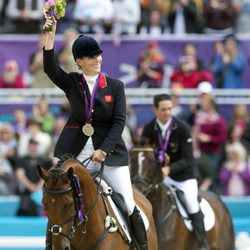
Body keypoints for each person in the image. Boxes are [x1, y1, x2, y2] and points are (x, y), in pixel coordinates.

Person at [43, 15, 147, 250]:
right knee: (58, 199)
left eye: (98, 55)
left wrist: (104, 150)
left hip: (109, 156)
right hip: (75, 154)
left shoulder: (115, 86)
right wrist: (49, 38)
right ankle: (51, 246)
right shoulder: (71, 82)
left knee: (129, 205)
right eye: (91, 57)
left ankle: (141, 247)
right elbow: (50, 68)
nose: (98, 59)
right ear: (79, 61)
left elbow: (119, 122)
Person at [140, 94, 209, 250]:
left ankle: (203, 243)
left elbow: (189, 159)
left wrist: (169, 168)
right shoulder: (149, 128)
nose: (167, 113)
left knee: (192, 205)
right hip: (161, 178)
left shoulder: (182, 128)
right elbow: (144, 152)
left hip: (184, 178)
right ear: (155, 110)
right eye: (163, 109)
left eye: (170, 109)